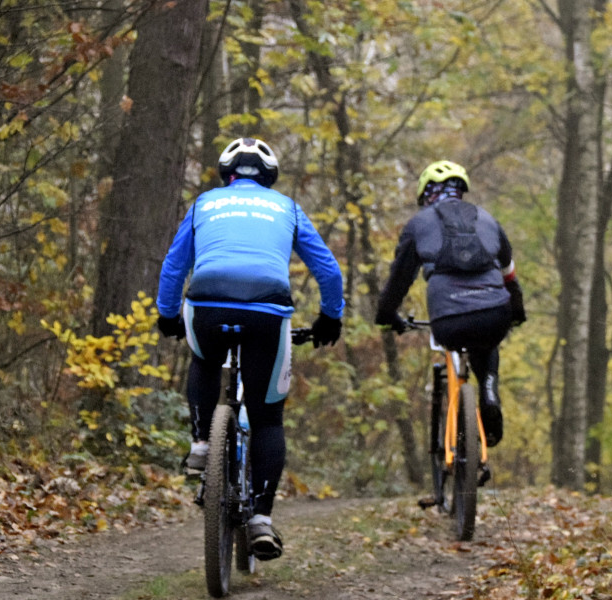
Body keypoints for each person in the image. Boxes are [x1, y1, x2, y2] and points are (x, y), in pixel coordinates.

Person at [156, 137, 344, 561]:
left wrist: (167, 314)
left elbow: (174, 264)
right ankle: (261, 517)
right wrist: (331, 317)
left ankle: (202, 444)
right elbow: (328, 269)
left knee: (204, 357)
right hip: (268, 309)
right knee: (267, 416)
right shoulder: (287, 207)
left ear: (228, 175)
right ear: (270, 177)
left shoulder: (205, 203)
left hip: (205, 302)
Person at [375, 160, 525, 454]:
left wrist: (386, 314)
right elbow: (509, 276)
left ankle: (452, 441)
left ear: (426, 194)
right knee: (487, 338)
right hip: (496, 312)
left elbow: (399, 280)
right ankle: (490, 391)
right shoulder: (489, 220)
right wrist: (516, 312)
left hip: (448, 317)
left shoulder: (418, 224)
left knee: (459, 333)